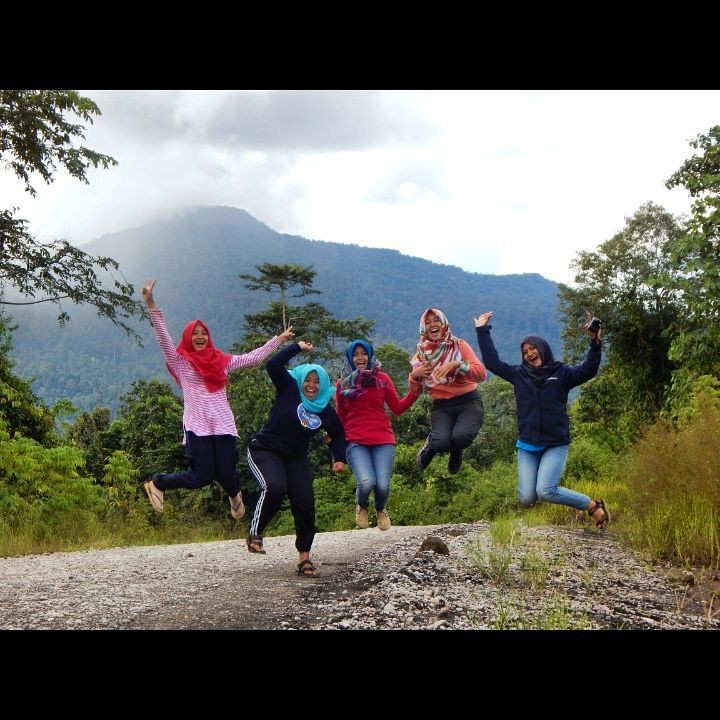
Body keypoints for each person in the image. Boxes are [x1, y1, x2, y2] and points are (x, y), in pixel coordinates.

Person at [141, 279, 294, 518]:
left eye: (204, 333)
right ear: (188, 337)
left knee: (226, 472)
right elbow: (163, 338)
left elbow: (251, 358)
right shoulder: (180, 362)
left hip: (222, 424)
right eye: (195, 334)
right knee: (201, 476)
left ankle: (235, 495)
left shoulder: (221, 361)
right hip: (196, 425)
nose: (200, 337)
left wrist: (279, 340)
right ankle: (158, 483)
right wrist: (151, 302)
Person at [474, 311, 610, 529]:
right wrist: (482, 331)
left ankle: (592, 505)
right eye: (525, 351)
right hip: (528, 445)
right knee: (527, 498)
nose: (529, 353)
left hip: (555, 444)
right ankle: (582, 505)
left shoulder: (562, 373)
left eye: (533, 348)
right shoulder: (518, 374)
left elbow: (588, 370)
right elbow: (492, 362)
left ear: (543, 349)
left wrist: (595, 342)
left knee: (545, 490)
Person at [246, 339, 346, 577]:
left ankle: (304, 558)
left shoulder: (323, 408)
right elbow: (273, 365)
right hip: (265, 449)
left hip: (295, 458)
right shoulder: (289, 387)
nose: (311, 385)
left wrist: (339, 457)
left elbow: (339, 432)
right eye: (308, 380)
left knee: (305, 503)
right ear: (301, 380)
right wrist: (296, 348)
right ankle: (255, 532)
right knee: (275, 487)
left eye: (317, 381)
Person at [336, 339, 420, 531]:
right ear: (350, 358)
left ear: (370, 355)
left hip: (383, 440)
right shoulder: (343, 384)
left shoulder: (382, 379)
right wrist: (336, 448)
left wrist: (414, 393)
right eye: (355, 354)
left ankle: (380, 509)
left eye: (363, 353)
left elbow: (397, 408)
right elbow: (340, 417)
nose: (360, 357)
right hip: (355, 441)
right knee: (366, 483)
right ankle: (362, 506)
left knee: (382, 486)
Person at [410, 308, 488, 474]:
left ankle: (457, 450)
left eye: (436, 320)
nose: (433, 325)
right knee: (441, 443)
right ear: (423, 328)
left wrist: (458, 364)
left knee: (461, 437)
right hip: (442, 405)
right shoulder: (421, 354)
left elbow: (481, 374)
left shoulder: (459, 346)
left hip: (468, 401)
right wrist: (413, 376)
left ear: (444, 323)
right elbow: (415, 391)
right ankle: (431, 445)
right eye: (428, 322)